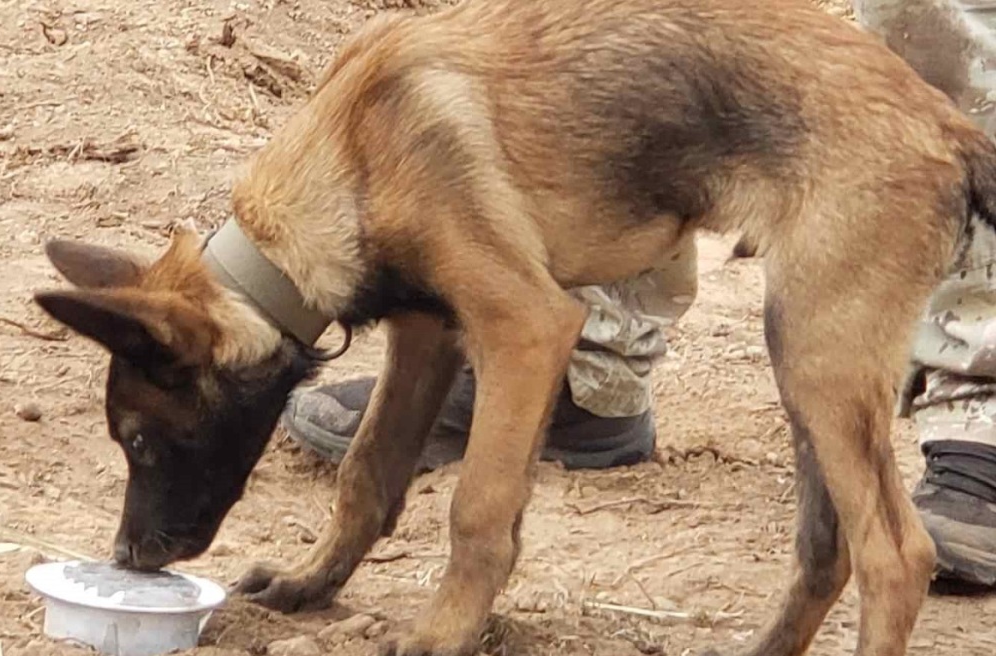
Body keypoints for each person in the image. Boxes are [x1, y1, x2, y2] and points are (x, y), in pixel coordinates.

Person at [280, 0, 996, 587]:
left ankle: (980, 405)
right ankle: (594, 362)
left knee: (926, 36)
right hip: (761, 123)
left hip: (868, 157)